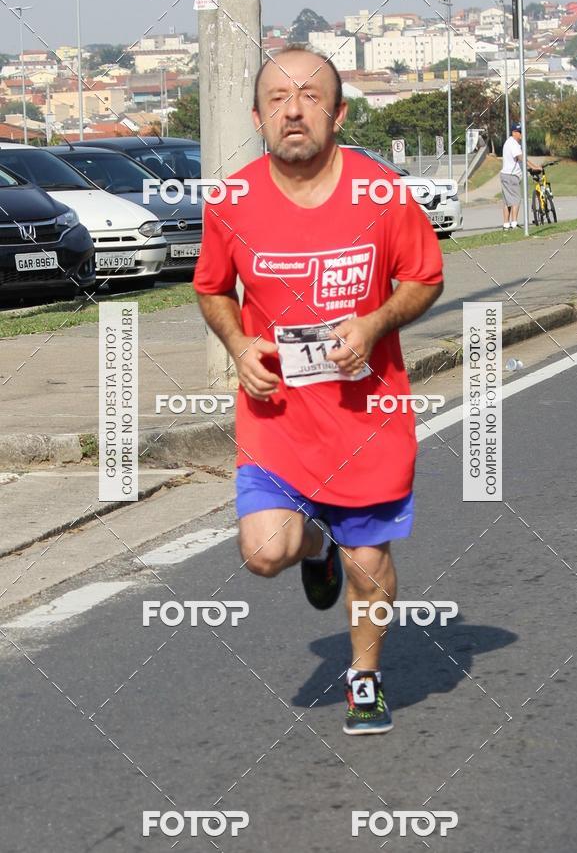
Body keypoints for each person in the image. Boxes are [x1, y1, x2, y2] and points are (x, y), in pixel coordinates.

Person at [194, 45, 443, 735]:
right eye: (276, 98)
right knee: (264, 551)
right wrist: (239, 344)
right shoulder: (232, 200)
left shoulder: (381, 193)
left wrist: (374, 322)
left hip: (366, 413)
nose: (292, 110)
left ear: (338, 113)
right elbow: (211, 287)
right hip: (277, 416)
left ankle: (364, 678)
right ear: (257, 116)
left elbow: (425, 278)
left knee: (370, 558)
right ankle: (315, 547)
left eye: (309, 96)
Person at [500, 122, 540, 230]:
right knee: (516, 200)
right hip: (511, 176)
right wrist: (534, 166)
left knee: (507, 201)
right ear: (514, 132)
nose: (522, 134)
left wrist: (527, 169)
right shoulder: (513, 143)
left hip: (505, 175)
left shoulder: (510, 142)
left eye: (522, 131)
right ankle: (514, 223)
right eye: (519, 132)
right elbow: (521, 157)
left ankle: (506, 224)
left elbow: (518, 161)